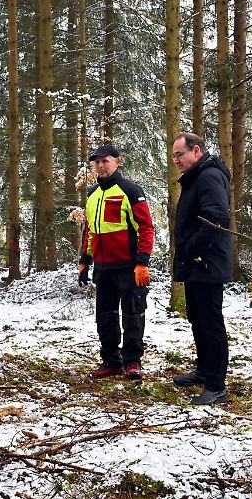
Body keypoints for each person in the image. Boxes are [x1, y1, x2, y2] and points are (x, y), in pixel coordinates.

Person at [77, 143, 155, 380]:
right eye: (97, 162)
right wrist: (84, 261)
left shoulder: (130, 190)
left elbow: (146, 227)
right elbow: (90, 230)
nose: (101, 166)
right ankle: (111, 360)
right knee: (105, 315)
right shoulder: (92, 195)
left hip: (129, 266)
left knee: (133, 314)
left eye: (105, 161)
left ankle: (133, 361)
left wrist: (142, 262)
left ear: (117, 162)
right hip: (103, 267)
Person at [169, 132, 233, 405]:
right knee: (197, 318)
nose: (176, 161)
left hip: (207, 262)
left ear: (196, 151)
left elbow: (217, 217)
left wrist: (193, 250)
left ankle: (216, 385)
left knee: (210, 322)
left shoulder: (208, 177)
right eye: (173, 156)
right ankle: (205, 370)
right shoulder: (198, 177)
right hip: (197, 264)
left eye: (179, 155)